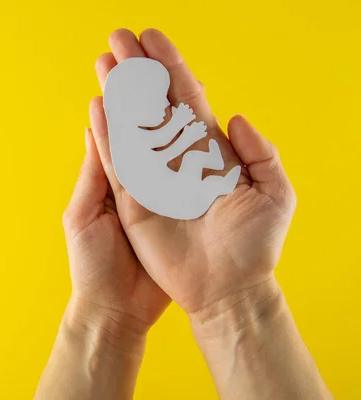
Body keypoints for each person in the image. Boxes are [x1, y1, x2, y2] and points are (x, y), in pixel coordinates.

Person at [34, 28, 332, 400]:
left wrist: (103, 317)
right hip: (170, 182)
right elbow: (162, 138)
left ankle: (206, 180)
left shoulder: (137, 131)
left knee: (195, 171)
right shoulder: (133, 137)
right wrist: (103, 312)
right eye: (153, 99)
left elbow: (166, 137)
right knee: (195, 171)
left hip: (175, 184)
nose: (161, 106)